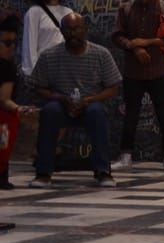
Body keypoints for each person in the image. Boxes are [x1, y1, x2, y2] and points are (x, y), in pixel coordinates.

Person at [29, 13, 122, 188]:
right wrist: (60, 98)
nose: (73, 34)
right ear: (61, 31)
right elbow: (38, 86)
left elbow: (114, 87)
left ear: (85, 30)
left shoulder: (101, 54)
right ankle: (43, 172)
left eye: (77, 29)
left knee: (97, 113)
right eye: (68, 30)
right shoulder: (49, 55)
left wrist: (91, 99)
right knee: (50, 111)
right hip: (61, 103)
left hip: (90, 102)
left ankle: (103, 171)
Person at [111, 0, 164, 172]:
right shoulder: (126, 9)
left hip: (158, 69)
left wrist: (147, 42)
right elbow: (117, 36)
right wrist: (134, 47)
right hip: (133, 71)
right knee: (131, 114)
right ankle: (126, 156)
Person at [21, 0, 73, 79]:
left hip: (65, 72)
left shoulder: (69, 13)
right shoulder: (34, 12)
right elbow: (29, 47)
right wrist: (31, 75)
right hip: (43, 72)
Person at [0, 14, 22, 192]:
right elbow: (4, 99)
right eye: (7, 43)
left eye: (15, 42)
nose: (13, 47)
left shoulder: (8, 66)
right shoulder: (6, 67)